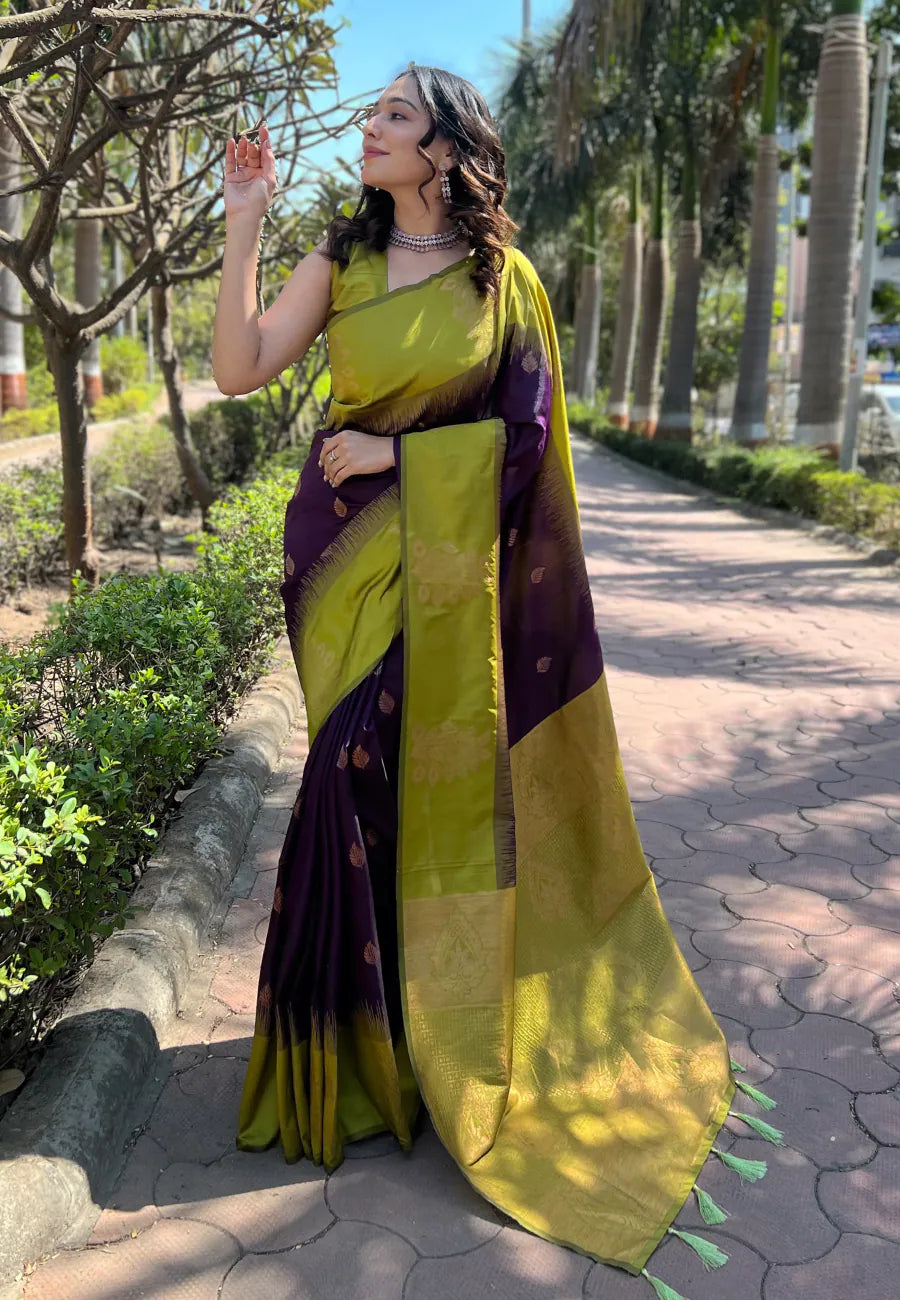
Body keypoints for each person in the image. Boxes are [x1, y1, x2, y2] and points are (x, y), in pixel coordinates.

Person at [212, 62, 783, 1300]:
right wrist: (244, 220)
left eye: (394, 116)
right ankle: (348, 1058)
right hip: (345, 564)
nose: (369, 128)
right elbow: (240, 367)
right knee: (346, 779)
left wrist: (400, 454)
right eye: (369, 114)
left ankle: (426, 1040)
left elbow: (522, 445)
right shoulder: (342, 258)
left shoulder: (500, 280)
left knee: (405, 790)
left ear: (448, 148)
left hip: (447, 567)